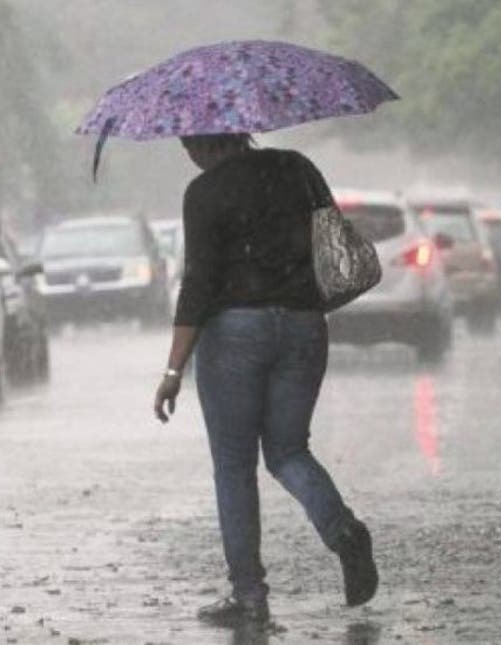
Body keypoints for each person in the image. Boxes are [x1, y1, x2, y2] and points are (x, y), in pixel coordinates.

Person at [152, 133, 378, 628]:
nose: (188, 152)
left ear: (210, 141)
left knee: (234, 466)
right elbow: (329, 237)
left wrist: (173, 370)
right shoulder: (296, 168)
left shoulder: (204, 193)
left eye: (190, 143)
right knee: (289, 451)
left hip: (235, 332)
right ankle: (343, 532)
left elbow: (199, 283)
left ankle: (249, 596)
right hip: (303, 325)